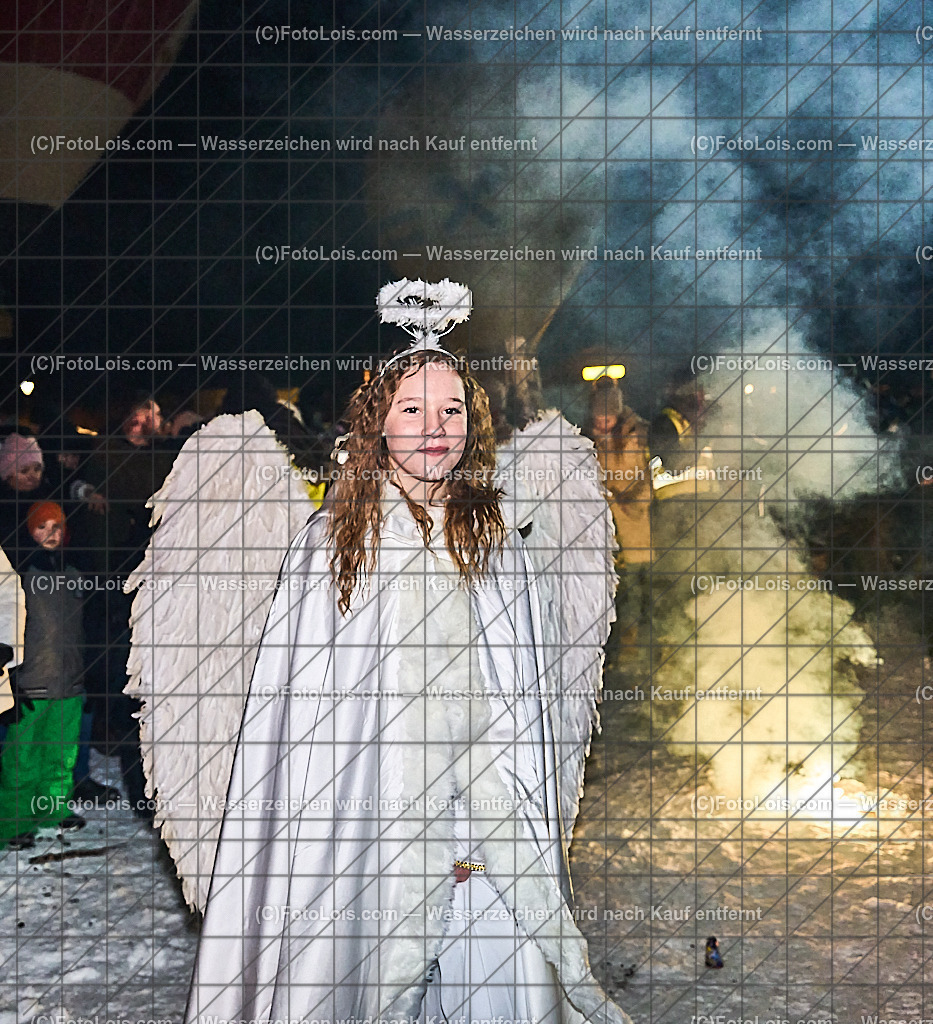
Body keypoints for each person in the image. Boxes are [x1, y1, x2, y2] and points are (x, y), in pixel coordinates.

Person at [185, 342, 630, 1024]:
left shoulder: (498, 545)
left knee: (493, 978)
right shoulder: (332, 547)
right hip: (367, 835)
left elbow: (520, 702)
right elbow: (307, 729)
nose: (435, 428)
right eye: (412, 409)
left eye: (452, 410)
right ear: (378, 424)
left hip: (487, 831)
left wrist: (480, 826)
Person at [0, 502, 87, 850]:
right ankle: (14, 822)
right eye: (42, 527)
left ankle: (51, 809)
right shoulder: (20, 574)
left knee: (61, 753)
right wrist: (11, 678)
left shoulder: (77, 572)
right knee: (22, 757)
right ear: (29, 531)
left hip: (70, 683)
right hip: (31, 683)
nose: (51, 533)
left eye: (56, 526)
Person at [590, 376, 652, 668]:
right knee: (608, 597)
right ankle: (609, 654)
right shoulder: (586, 441)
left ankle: (630, 650)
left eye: (608, 417)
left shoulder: (635, 437)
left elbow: (647, 482)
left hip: (633, 532)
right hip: (604, 536)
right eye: (598, 417)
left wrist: (630, 503)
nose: (603, 422)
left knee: (631, 595)